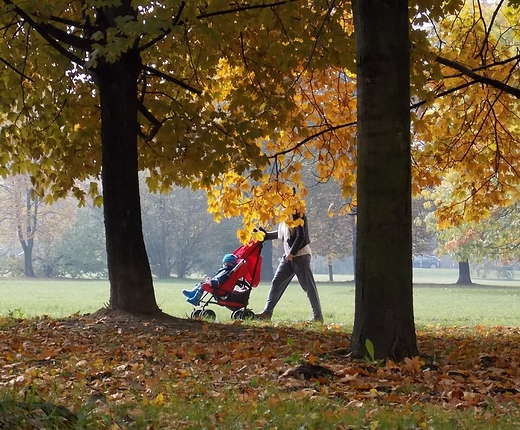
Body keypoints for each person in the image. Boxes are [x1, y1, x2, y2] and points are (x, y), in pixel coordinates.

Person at [255, 211, 324, 323]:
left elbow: (301, 236)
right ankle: (267, 313)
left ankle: (318, 317)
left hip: (300, 256)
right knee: (277, 283)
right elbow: (281, 233)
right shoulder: (285, 215)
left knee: (309, 287)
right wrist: (265, 235)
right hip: (288, 257)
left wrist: (292, 254)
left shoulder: (297, 213)